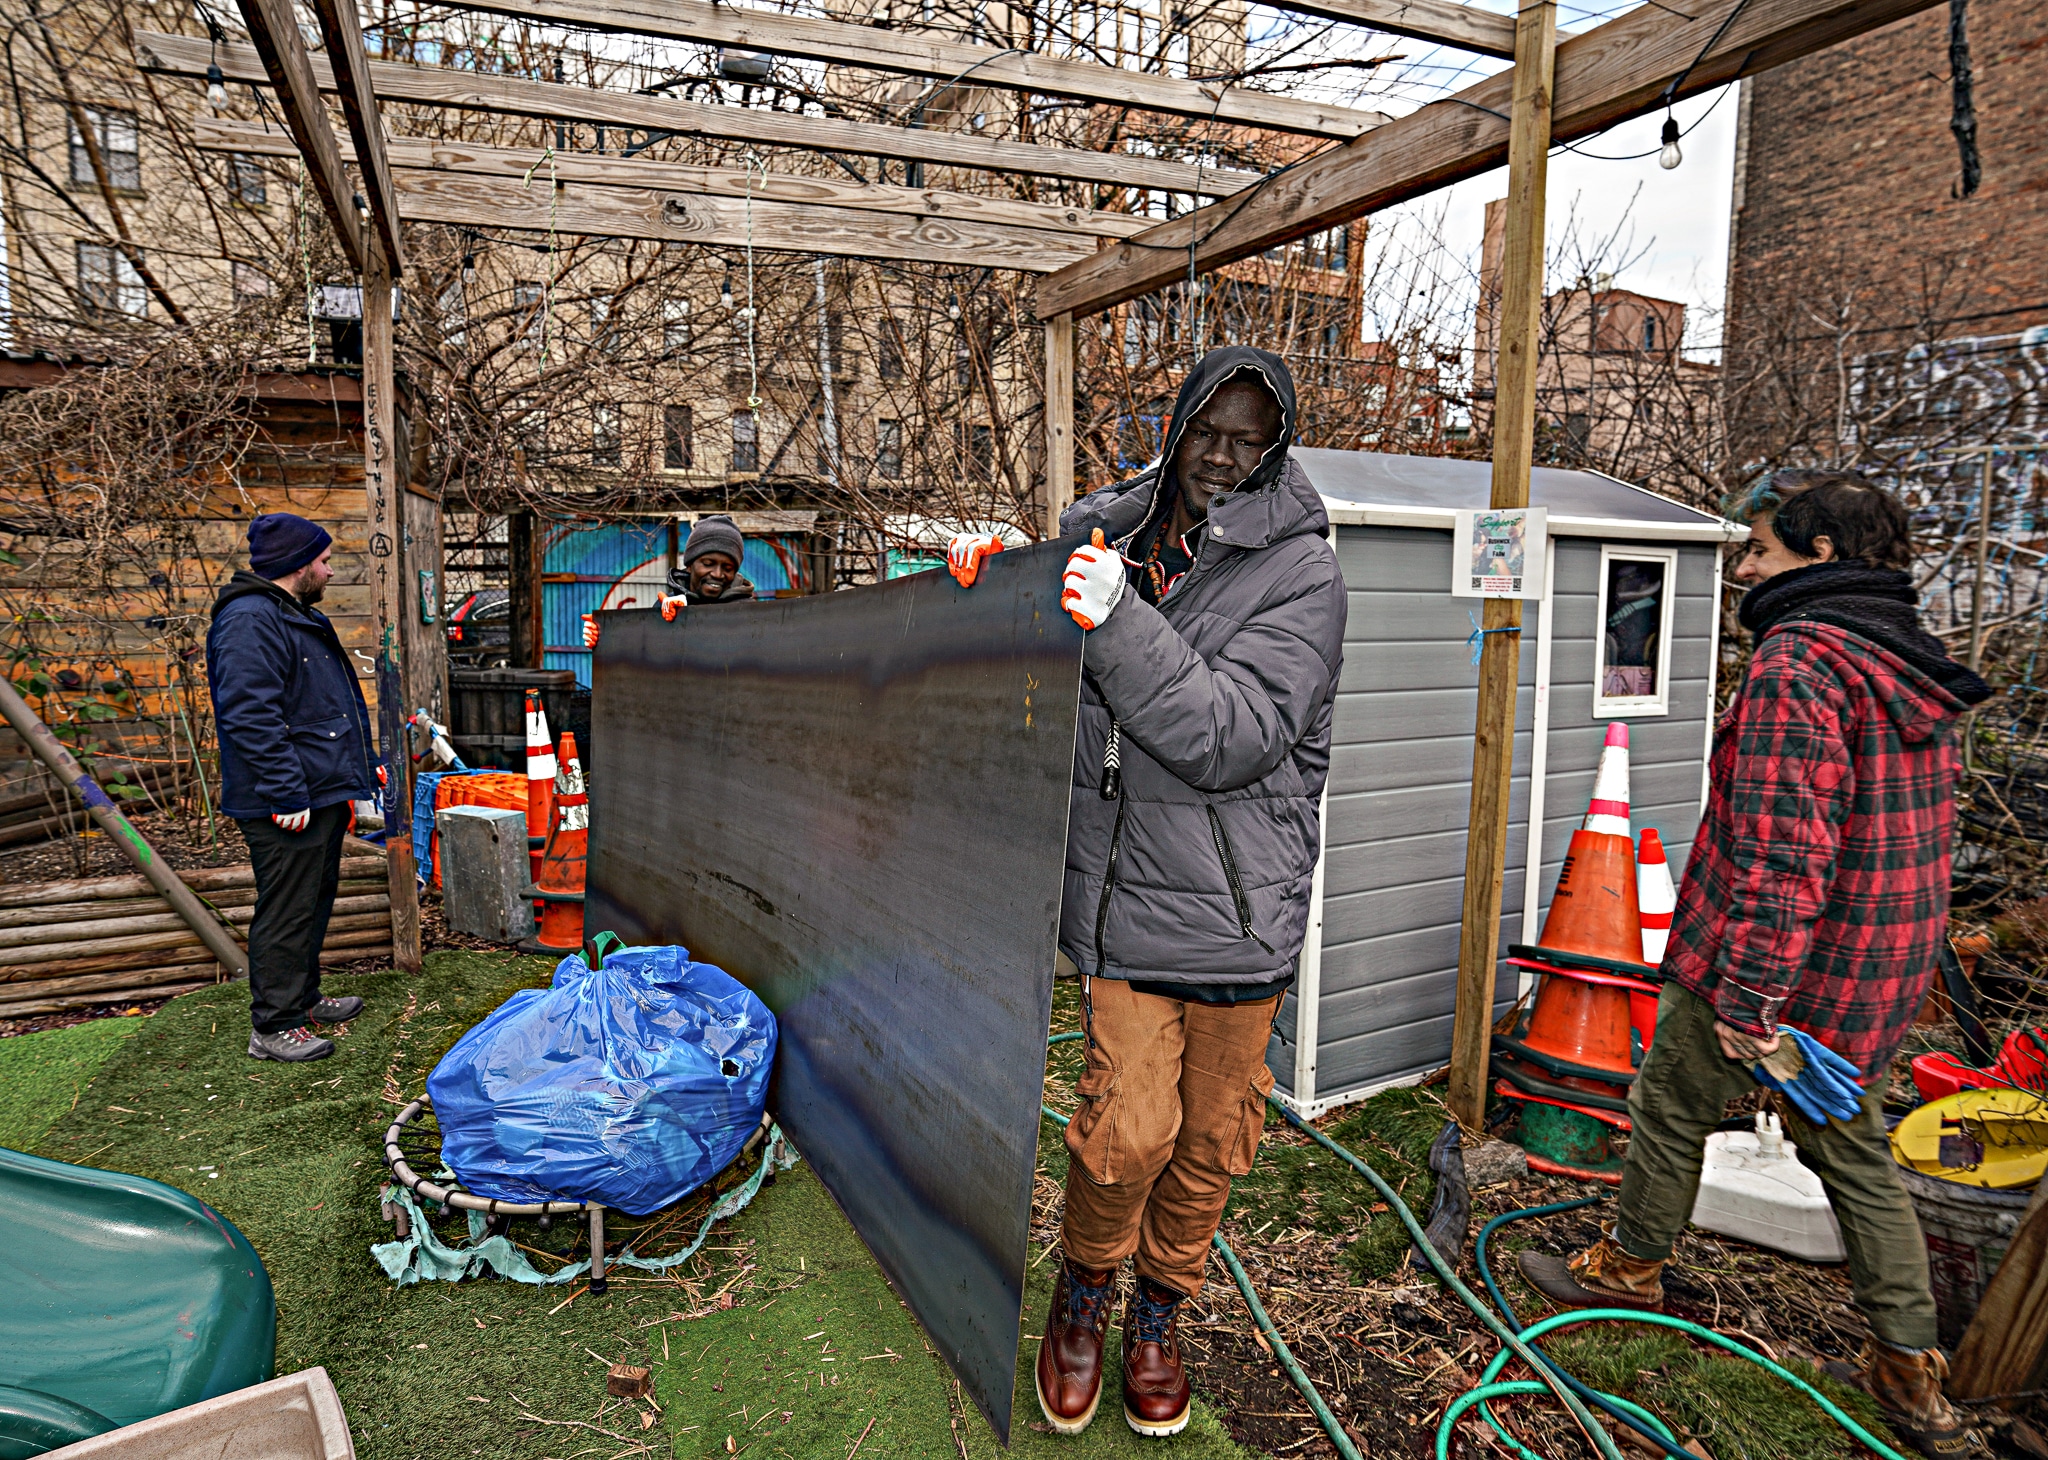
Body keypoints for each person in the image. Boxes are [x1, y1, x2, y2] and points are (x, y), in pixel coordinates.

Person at [1518, 472, 1992, 1458]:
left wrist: (1752, 1001)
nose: (1743, 567)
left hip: (1775, 965)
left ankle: (1630, 1264)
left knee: (1668, 1099)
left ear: (1821, 557)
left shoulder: (1799, 663)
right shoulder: (1911, 660)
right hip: (1875, 965)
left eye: (1762, 550)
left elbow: (1785, 851)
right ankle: (1908, 1361)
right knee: (1855, 1152)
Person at [948, 345, 1345, 1439]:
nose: (1220, 455)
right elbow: (1018, 672)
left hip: (1236, 912)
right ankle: (1083, 1294)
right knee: (1124, 1132)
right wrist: (987, 583)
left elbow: (1229, 735)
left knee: (1210, 1144)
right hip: (1122, 900)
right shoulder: (1100, 534)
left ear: (1274, 450)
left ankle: (1159, 1314)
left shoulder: (1302, 576)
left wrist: (1119, 619)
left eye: (1246, 439)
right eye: (1206, 430)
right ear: (1174, 426)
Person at [207, 513, 378, 1063]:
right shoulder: (250, 621)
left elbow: (324, 703)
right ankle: (274, 1025)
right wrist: (286, 793)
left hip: (316, 791)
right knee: (286, 908)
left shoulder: (287, 613)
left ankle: (302, 999)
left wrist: (359, 764)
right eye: (324, 561)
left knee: (312, 899)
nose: (330, 571)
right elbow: (249, 715)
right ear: (300, 565)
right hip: (285, 802)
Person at [582, 514, 754, 648]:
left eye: (728, 568)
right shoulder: (667, 607)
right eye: (708, 564)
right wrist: (603, 637)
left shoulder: (752, 613)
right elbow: (643, 655)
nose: (717, 574)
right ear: (689, 566)